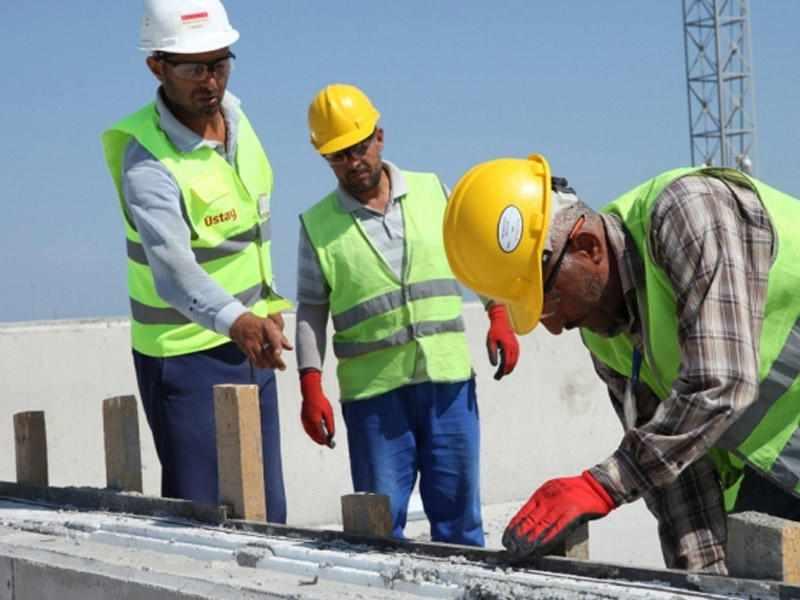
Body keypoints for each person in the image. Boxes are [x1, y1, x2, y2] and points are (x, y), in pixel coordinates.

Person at [442, 154, 800, 572]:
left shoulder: (690, 211)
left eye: (549, 300)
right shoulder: (601, 332)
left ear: (587, 247)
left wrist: (602, 485)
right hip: (774, 468)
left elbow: (722, 381)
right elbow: (674, 472)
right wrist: (703, 581)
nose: (554, 327)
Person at [294, 84, 520, 546]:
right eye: (338, 155)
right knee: (378, 530)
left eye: (359, 147)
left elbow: (473, 254)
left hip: (447, 384)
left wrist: (498, 312)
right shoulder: (317, 226)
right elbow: (311, 310)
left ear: (379, 137)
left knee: (460, 524)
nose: (353, 162)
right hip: (374, 398)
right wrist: (310, 384)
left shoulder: (432, 192)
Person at [101, 0, 291, 521]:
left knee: (267, 512)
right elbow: (174, 273)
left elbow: (253, 225)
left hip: (249, 341)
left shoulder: (237, 119)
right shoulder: (146, 159)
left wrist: (268, 302)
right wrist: (239, 321)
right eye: (194, 69)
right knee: (206, 518)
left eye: (220, 63)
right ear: (156, 66)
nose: (210, 81)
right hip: (185, 357)